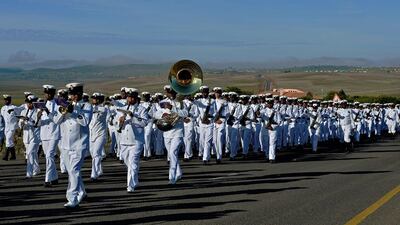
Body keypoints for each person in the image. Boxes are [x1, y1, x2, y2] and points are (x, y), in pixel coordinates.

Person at [54, 82, 92, 208]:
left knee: (74, 171)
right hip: (65, 144)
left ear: (80, 94)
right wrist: (63, 112)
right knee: (72, 172)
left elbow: (85, 122)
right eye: (71, 94)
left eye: (74, 94)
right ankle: (82, 192)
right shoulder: (65, 105)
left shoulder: (87, 106)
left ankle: (72, 198)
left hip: (79, 144)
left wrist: (74, 112)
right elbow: (56, 121)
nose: (72, 97)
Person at [154, 85, 187, 184]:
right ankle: (179, 173)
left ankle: (172, 177)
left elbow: (185, 113)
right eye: (168, 93)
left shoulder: (180, 103)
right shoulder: (162, 102)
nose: (169, 94)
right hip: (167, 132)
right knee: (172, 154)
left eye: (171, 93)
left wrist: (172, 108)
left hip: (177, 132)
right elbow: (155, 114)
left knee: (172, 153)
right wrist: (162, 115)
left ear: (175, 93)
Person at [117, 88, 148, 192]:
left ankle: (130, 186)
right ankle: (134, 180)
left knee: (132, 163)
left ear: (135, 98)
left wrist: (133, 116)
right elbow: (115, 122)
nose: (129, 99)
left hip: (136, 141)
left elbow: (144, 123)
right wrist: (120, 121)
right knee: (128, 163)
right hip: (124, 140)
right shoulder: (122, 109)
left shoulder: (141, 109)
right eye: (128, 97)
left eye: (132, 98)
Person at [38, 85, 60, 187]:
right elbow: (37, 124)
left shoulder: (57, 104)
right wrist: (38, 117)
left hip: (54, 133)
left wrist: (47, 111)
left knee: (49, 155)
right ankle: (54, 177)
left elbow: (56, 119)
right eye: (46, 93)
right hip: (44, 135)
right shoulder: (42, 105)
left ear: (52, 94)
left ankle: (48, 179)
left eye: (49, 93)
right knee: (49, 157)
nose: (47, 95)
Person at [19, 95, 41, 178]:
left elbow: (38, 124)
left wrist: (29, 120)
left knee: (29, 153)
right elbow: (20, 123)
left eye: (31, 103)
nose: (29, 105)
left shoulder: (38, 112)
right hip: (26, 136)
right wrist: (21, 123)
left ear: (34, 103)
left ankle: (29, 173)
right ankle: (37, 169)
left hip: (35, 136)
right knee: (33, 154)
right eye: (28, 103)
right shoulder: (23, 112)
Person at [89, 93, 108, 181]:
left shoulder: (103, 109)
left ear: (99, 100)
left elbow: (97, 111)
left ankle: (94, 174)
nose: (93, 100)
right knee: (93, 154)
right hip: (92, 134)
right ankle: (99, 170)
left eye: (95, 99)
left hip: (100, 135)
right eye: (93, 99)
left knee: (96, 153)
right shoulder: (91, 109)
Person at [1, 95, 19, 161]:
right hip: (6, 127)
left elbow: (18, 116)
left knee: (8, 140)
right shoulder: (3, 108)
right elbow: (2, 118)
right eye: (5, 100)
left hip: (12, 127)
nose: (6, 101)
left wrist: (17, 126)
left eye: (7, 100)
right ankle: (13, 156)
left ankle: (6, 156)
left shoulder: (14, 107)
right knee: (10, 141)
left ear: (10, 100)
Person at [212, 87, 228, 164]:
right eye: (215, 92)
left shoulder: (224, 102)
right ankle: (216, 154)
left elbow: (226, 113)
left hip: (220, 123)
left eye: (218, 92)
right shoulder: (212, 101)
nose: (217, 94)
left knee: (219, 140)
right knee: (214, 141)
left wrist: (221, 120)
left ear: (220, 93)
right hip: (213, 123)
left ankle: (219, 157)